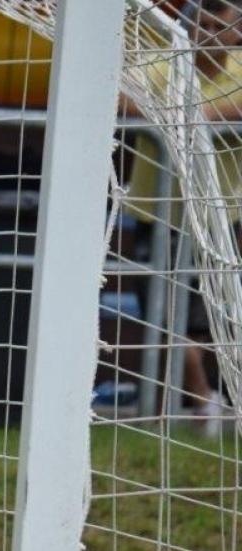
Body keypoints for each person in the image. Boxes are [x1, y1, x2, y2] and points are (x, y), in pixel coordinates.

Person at [125, 0, 242, 434]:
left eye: (218, 25)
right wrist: (188, 120)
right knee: (167, 318)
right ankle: (202, 402)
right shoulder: (162, 63)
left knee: (218, 319)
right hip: (160, 217)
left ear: (237, 33)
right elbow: (123, 97)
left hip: (225, 219)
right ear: (187, 27)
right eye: (201, 24)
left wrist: (188, 119)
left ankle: (213, 398)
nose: (208, 33)